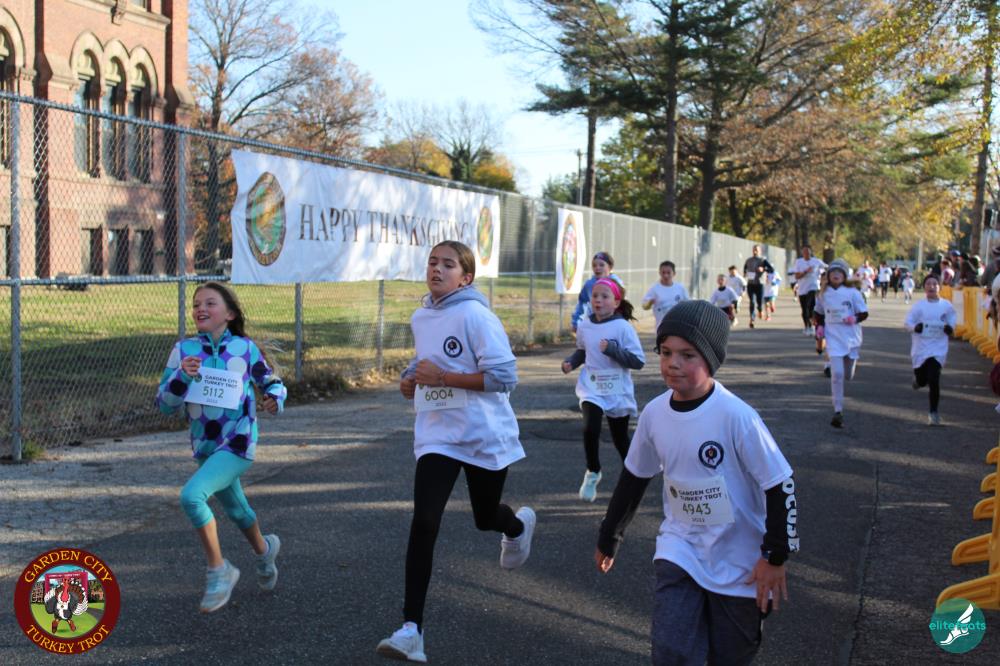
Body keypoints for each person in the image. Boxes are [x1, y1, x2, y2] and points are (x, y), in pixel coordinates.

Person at [594, 300, 798, 666]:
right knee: (671, 651)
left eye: (687, 355)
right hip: (681, 547)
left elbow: (779, 483)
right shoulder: (655, 414)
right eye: (666, 352)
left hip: (739, 561)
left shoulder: (736, 416)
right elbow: (634, 476)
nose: (673, 363)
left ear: (712, 359)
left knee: (730, 656)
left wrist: (775, 555)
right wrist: (610, 534)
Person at [377, 241, 536, 663]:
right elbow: (424, 363)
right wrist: (410, 378)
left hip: (483, 434)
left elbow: (504, 377)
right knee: (425, 521)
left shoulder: (476, 316)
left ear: (466, 278)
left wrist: (444, 376)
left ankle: (515, 527)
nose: (437, 269)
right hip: (438, 435)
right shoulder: (421, 316)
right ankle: (411, 630)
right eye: (433, 262)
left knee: (485, 517)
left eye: (448, 265)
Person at [155, 281, 287, 613]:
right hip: (205, 447)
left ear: (229, 314)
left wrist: (275, 398)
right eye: (196, 304)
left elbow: (271, 381)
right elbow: (165, 405)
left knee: (192, 497)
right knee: (237, 511)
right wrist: (181, 377)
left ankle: (219, 570)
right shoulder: (183, 351)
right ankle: (265, 551)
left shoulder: (245, 349)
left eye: (210, 303)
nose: (201, 308)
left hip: (239, 442)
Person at [564, 277, 645, 502]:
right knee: (590, 429)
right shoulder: (585, 325)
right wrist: (571, 362)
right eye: (595, 296)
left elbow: (638, 361)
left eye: (604, 296)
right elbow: (583, 351)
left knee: (620, 439)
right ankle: (593, 471)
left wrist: (613, 350)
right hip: (591, 387)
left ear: (616, 303)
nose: (598, 300)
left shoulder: (623, 328)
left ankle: (634, 477)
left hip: (617, 389)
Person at [813, 259, 868, 428]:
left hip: (851, 338)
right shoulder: (823, 294)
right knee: (837, 374)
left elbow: (864, 313)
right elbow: (818, 313)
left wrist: (854, 318)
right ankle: (838, 411)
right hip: (833, 338)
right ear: (828, 275)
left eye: (839, 272)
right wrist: (819, 328)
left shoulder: (852, 293)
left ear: (845, 276)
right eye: (833, 272)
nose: (836, 275)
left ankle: (850, 366)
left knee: (848, 375)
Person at [905, 274, 956, 426]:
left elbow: (952, 322)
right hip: (921, 348)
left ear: (940, 287)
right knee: (922, 380)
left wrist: (949, 329)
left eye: (935, 284)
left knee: (934, 379)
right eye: (928, 284)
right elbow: (908, 322)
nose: (931, 286)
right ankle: (918, 381)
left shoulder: (946, 306)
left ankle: (933, 413)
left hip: (938, 348)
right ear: (924, 287)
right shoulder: (918, 306)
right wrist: (915, 327)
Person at [572, 251, 618, 332]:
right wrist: (576, 323)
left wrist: (622, 321)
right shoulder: (589, 285)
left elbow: (622, 304)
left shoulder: (616, 283)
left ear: (610, 267)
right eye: (594, 265)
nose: (597, 268)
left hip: (613, 324)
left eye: (601, 265)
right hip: (595, 324)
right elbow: (581, 304)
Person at [642, 260, 690, 330]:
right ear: (659, 273)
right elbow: (644, 306)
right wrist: (650, 303)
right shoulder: (654, 289)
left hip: (678, 326)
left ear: (674, 273)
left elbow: (688, 305)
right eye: (663, 272)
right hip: (662, 327)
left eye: (668, 273)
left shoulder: (680, 288)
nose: (666, 275)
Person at [793, 245, 826, 335]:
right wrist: (805, 271)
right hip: (802, 289)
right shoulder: (799, 262)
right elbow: (797, 276)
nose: (806, 253)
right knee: (804, 309)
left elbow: (826, 268)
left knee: (811, 306)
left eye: (808, 251)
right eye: (804, 251)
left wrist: (824, 278)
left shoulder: (816, 261)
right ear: (802, 253)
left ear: (810, 252)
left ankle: (812, 325)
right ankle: (807, 326)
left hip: (813, 287)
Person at [743, 245, 775, 328]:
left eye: (757, 250)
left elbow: (772, 269)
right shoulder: (748, 260)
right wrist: (745, 273)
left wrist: (763, 269)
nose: (755, 251)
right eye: (754, 249)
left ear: (760, 251)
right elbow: (745, 268)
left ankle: (760, 310)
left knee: (759, 302)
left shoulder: (762, 260)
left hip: (760, 284)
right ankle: (752, 319)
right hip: (750, 284)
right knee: (752, 302)